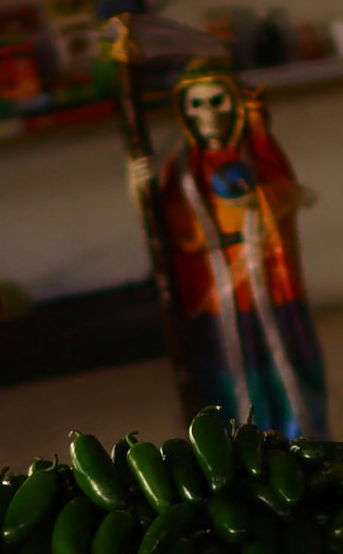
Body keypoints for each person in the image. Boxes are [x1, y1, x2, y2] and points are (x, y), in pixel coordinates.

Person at [137, 55, 329, 435]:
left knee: (284, 365)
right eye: (197, 104)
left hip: (267, 283)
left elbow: (287, 193)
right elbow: (170, 229)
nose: (208, 114)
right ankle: (236, 446)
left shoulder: (258, 152)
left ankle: (300, 438)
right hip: (216, 291)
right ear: (183, 111)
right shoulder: (181, 168)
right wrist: (138, 189)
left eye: (217, 101)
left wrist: (259, 199)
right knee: (224, 375)